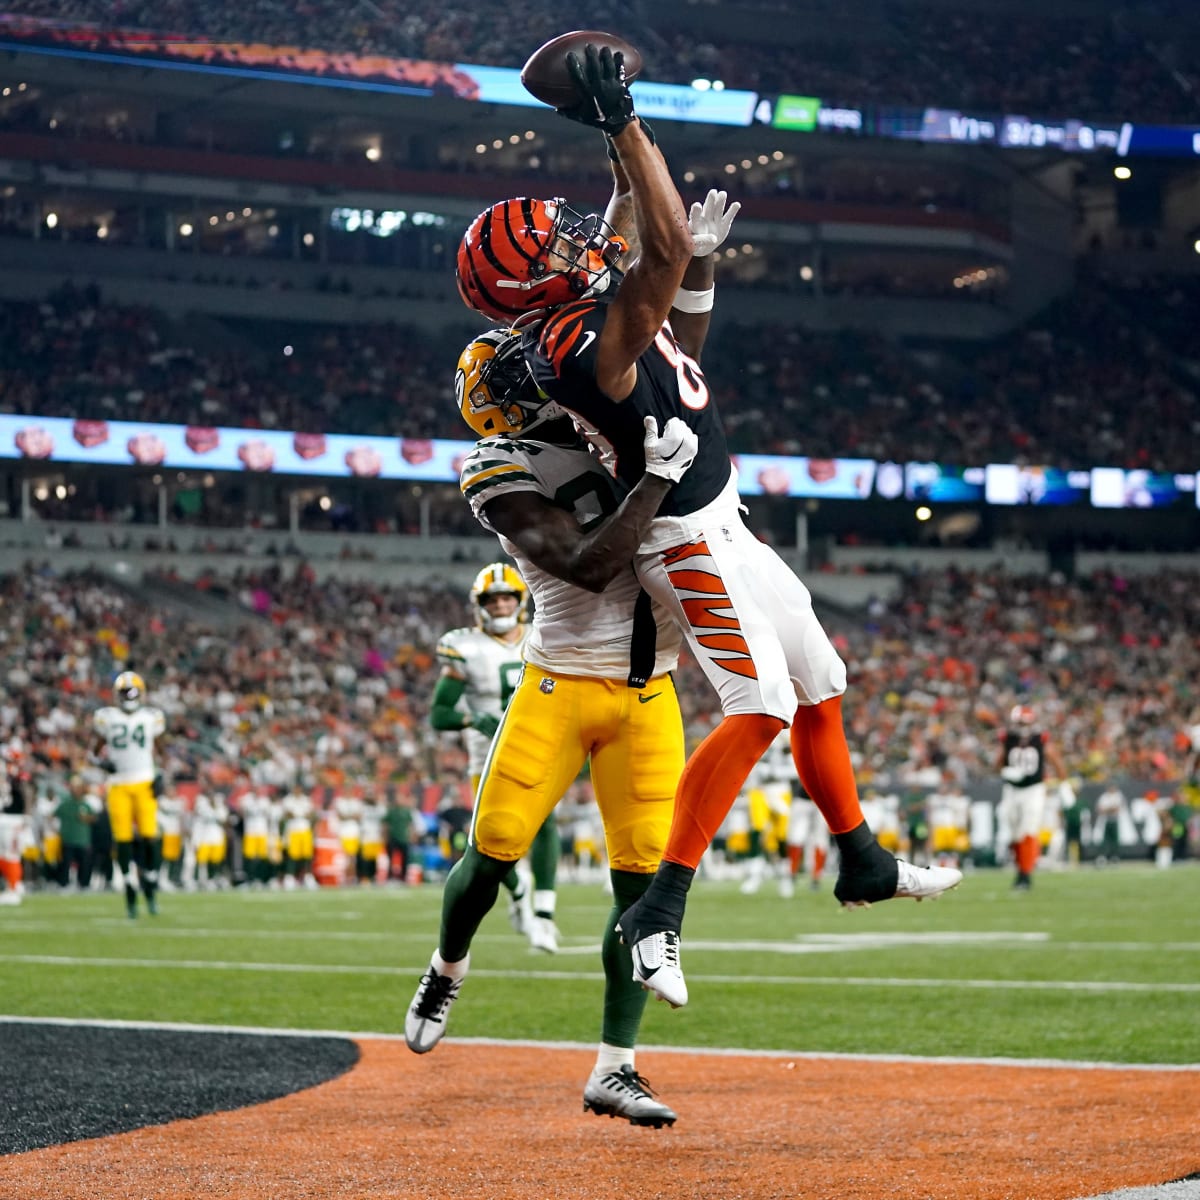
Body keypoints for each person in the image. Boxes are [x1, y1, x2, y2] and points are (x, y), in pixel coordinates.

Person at [454, 41, 961, 1009]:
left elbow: (654, 277)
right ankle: (658, 915)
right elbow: (661, 249)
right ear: (534, 289)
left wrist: (630, 172)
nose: (570, 241)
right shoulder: (569, 347)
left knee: (821, 684)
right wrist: (623, 123)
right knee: (758, 707)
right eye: (551, 248)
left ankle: (859, 857)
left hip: (727, 518)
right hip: (680, 537)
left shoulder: (577, 313)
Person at [403, 315, 703, 1127]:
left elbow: (669, 358)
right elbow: (587, 562)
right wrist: (655, 481)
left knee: (644, 896)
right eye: (522, 368)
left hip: (650, 692)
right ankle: (447, 965)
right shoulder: (494, 466)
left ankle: (617, 1066)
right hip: (561, 683)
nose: (543, 368)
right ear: (502, 400)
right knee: (495, 849)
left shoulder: (597, 412)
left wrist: (695, 274)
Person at [429, 563, 558, 950]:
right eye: (492, 599)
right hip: (487, 757)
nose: (500, 605)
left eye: (507, 597)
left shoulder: (543, 636)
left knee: (545, 824)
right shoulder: (463, 646)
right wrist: (474, 718)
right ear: (479, 604)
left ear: (520, 601)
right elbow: (440, 713)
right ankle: (520, 892)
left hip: (538, 743)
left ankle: (545, 915)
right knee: (493, 840)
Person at [91, 670, 166, 918]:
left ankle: (150, 885)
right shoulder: (106, 718)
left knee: (150, 837)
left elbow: (161, 751)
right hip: (119, 784)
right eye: (126, 692)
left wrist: (161, 774)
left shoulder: (151, 717)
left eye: (131, 692)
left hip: (144, 781)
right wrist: (102, 764)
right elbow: (93, 752)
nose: (129, 696)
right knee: (122, 840)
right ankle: (130, 890)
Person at [997, 704, 1067, 890]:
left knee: (1028, 831)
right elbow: (999, 762)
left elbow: (1053, 757)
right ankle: (1021, 869)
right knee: (1014, 833)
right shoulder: (1008, 738)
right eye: (1019, 723)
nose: (1022, 727)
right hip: (1012, 790)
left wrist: (1063, 779)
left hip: (1033, 789)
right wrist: (1006, 771)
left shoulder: (1040, 738)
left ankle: (1025, 875)